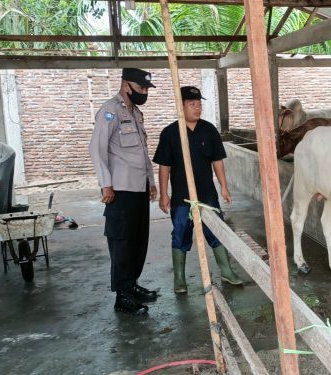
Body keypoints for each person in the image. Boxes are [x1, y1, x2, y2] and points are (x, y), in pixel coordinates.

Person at [153, 86, 243, 295]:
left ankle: (227, 271)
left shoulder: (208, 130)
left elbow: (217, 161)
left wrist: (224, 187)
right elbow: (164, 166)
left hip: (207, 194)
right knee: (181, 232)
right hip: (182, 197)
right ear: (180, 106)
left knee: (217, 231)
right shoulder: (170, 133)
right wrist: (164, 194)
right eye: (192, 104)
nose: (198, 108)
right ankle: (179, 279)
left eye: (199, 104)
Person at [89, 68, 158, 315]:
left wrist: (151, 181)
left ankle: (132, 284)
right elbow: (97, 149)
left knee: (139, 239)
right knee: (122, 242)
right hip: (120, 189)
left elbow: (141, 152)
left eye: (146, 89)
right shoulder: (110, 111)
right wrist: (105, 183)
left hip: (138, 187)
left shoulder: (136, 113)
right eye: (141, 89)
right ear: (126, 84)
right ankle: (122, 295)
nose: (144, 93)